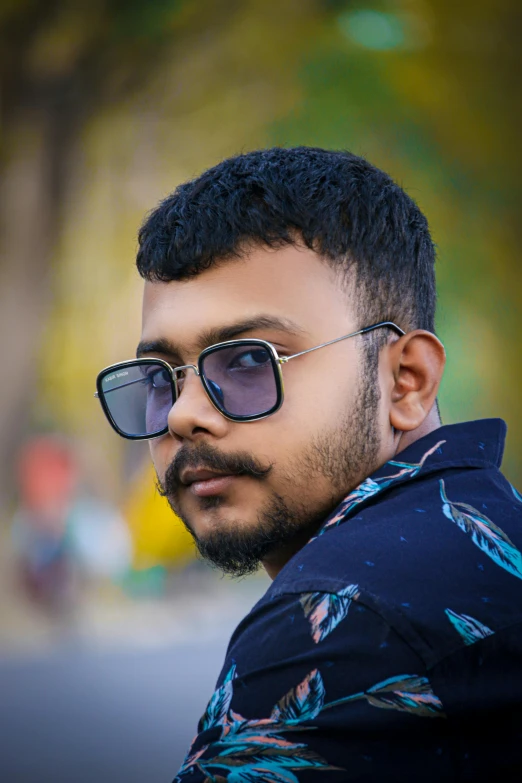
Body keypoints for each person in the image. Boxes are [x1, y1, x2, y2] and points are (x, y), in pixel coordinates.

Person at [95, 147, 522, 781]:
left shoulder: (343, 617)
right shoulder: (492, 539)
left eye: (246, 360)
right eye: (161, 376)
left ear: (406, 380)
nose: (184, 414)